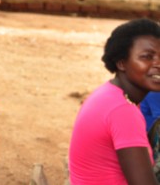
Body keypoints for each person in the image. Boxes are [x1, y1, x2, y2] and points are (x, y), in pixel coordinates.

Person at [68, 18, 160, 185]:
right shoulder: (122, 111)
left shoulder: (109, 94)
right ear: (121, 63)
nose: (158, 63)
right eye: (147, 57)